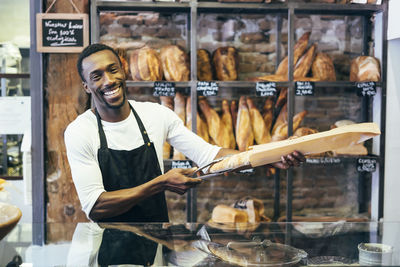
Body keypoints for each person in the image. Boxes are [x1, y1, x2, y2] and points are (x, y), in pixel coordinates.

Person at [64, 43, 305, 223]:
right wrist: (160, 183)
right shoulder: (80, 131)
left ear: (123, 71)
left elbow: (211, 156)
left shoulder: (156, 115)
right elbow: (96, 206)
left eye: (112, 69)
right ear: (86, 86)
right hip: (107, 244)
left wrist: (270, 156)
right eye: (97, 76)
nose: (108, 80)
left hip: (156, 239)